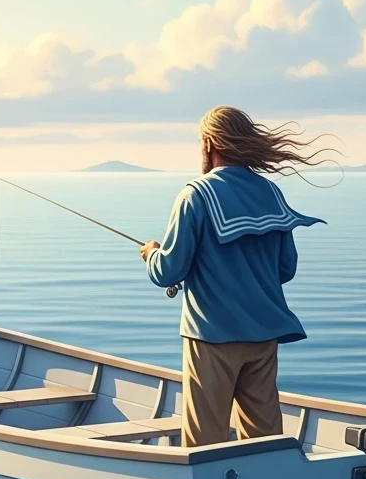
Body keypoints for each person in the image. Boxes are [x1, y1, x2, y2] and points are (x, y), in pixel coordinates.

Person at [140, 106, 327, 448]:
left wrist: (151, 253)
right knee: (264, 435)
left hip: (212, 336)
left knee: (205, 439)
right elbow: (286, 268)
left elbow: (169, 270)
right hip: (264, 335)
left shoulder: (195, 195)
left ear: (209, 143)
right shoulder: (270, 193)